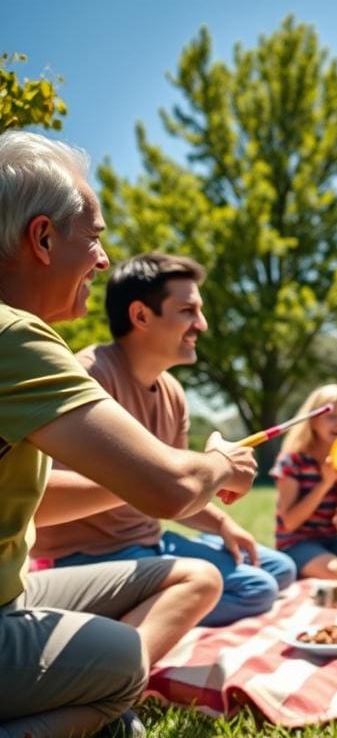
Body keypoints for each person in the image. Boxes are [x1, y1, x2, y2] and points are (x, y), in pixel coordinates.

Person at [0, 130, 255, 736]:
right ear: (42, 238)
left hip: (14, 594)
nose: (104, 260)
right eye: (93, 237)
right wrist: (219, 462)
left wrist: (128, 477)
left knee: (197, 577)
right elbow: (173, 486)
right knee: (123, 667)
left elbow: (39, 499)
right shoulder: (16, 337)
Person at [32, 253, 296, 626]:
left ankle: (157, 598)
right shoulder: (87, 379)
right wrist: (157, 479)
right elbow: (45, 490)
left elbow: (176, 489)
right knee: (255, 589)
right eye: (188, 311)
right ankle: (119, 621)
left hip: (150, 542)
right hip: (87, 557)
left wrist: (221, 523)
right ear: (141, 315)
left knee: (279, 568)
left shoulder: (172, 392)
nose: (202, 324)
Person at [272, 384, 337, 579]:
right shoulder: (292, 461)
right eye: (331, 417)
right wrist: (325, 484)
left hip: (332, 538)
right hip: (295, 542)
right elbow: (290, 523)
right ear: (313, 421)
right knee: (336, 572)